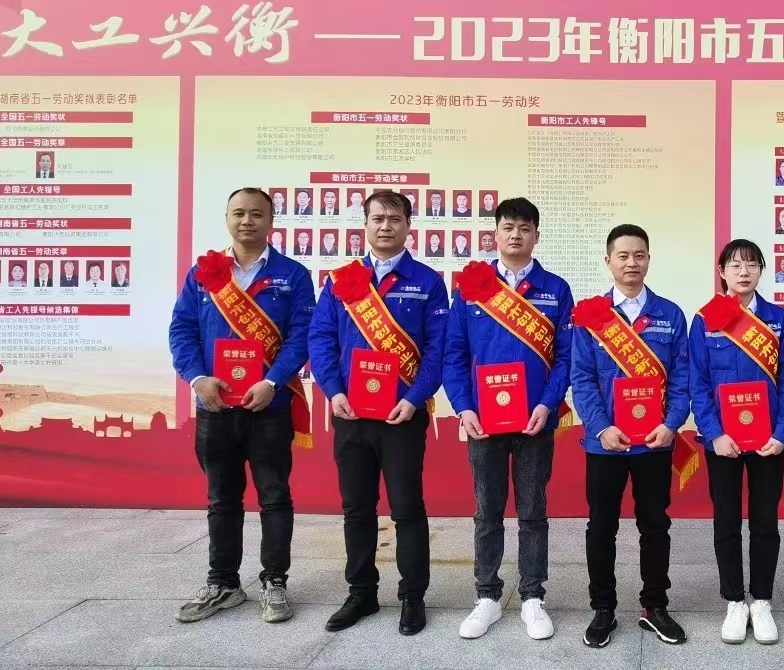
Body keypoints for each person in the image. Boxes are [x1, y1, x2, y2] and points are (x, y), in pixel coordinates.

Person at [168, 187, 316, 625]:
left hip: (269, 405)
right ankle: (223, 583)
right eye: (238, 213)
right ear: (227, 218)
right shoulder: (203, 273)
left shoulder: (293, 275)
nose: (247, 221)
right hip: (215, 405)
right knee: (221, 498)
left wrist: (272, 381)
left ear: (271, 222)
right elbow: (182, 330)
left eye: (256, 214)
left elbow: (301, 336)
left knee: (274, 496)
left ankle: (275, 582)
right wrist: (197, 378)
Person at [309, 191, 449, 637]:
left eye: (394, 218)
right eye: (377, 218)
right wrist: (333, 391)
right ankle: (361, 592)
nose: (385, 226)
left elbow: (438, 348)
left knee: (407, 507)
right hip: (351, 414)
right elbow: (321, 338)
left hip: (402, 416)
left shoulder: (427, 282)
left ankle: (413, 595)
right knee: (357, 508)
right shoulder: (342, 280)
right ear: (365, 225)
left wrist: (416, 397)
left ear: (409, 226)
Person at [444, 197, 575, 641]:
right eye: (508, 227)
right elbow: (454, 353)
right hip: (483, 421)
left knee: (533, 510)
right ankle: (487, 595)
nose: (515, 235)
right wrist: (464, 407)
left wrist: (547, 404)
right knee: (487, 510)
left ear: (536, 235)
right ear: (495, 234)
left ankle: (533, 596)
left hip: (535, 420)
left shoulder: (555, 289)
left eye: (524, 228)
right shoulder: (472, 285)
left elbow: (565, 357)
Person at [570, 224, 692, 649]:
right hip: (604, 443)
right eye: (622, 256)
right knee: (601, 526)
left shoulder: (670, 314)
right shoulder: (591, 316)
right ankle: (603, 609)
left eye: (639, 255)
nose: (631, 263)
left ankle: (654, 606)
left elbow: (682, 378)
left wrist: (671, 423)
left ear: (648, 260)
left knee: (655, 525)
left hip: (654, 442)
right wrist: (602, 427)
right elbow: (582, 378)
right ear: (608, 262)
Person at [688, 239, 784, 645]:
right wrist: (713, 432)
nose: (743, 272)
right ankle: (735, 600)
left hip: (768, 439)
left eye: (752, 265)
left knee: (765, 520)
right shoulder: (705, 319)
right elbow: (698, 381)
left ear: (761, 272)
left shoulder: (777, 319)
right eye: (735, 265)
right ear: (722, 272)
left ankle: (763, 600)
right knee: (726, 519)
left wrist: (783, 433)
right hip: (722, 441)